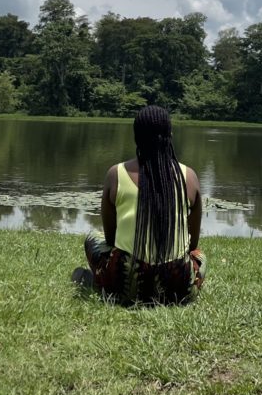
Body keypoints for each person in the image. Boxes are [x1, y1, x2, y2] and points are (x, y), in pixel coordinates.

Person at [73, 105, 206, 305]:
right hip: (176, 289)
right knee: (200, 256)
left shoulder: (115, 174)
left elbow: (110, 238)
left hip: (126, 284)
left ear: (136, 136)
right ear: (170, 134)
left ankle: (98, 280)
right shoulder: (189, 176)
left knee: (92, 238)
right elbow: (192, 244)